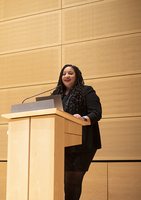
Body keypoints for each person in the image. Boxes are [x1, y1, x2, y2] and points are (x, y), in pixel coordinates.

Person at [52, 64, 102, 200]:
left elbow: (96, 113)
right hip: (63, 143)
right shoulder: (57, 95)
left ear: (77, 76)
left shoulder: (87, 91)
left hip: (83, 143)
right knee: (66, 181)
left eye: (70, 73)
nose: (66, 76)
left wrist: (83, 118)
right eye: (64, 73)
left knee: (73, 180)